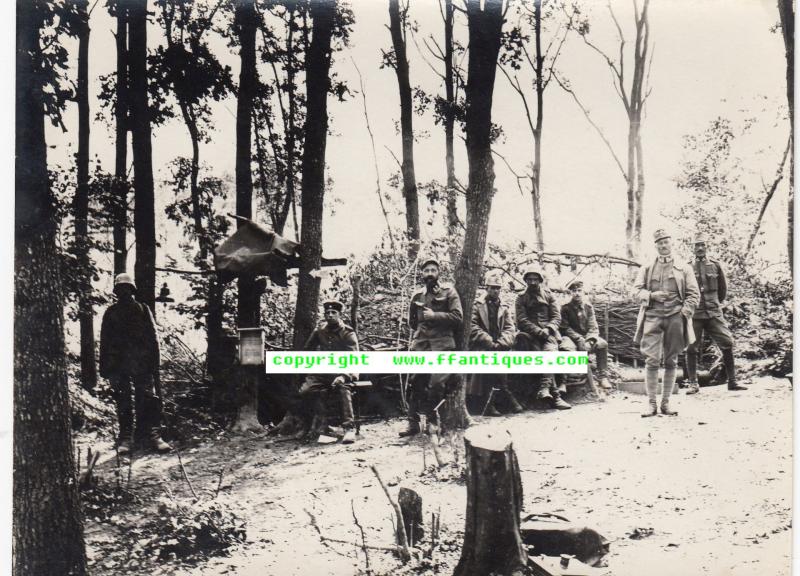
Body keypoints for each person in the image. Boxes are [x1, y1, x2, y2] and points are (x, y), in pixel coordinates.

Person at [99, 273, 171, 454]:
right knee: (123, 400)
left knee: (148, 399)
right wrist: (106, 369)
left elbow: (153, 338)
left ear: (133, 290)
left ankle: (153, 435)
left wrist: (155, 363)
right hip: (119, 364)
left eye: (128, 289)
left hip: (142, 362)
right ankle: (125, 437)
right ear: (116, 292)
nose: (125, 293)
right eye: (121, 289)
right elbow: (105, 341)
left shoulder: (142, 309)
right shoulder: (111, 313)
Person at [632, 229, 700, 417]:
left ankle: (666, 404)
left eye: (666, 242)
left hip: (675, 317)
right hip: (652, 317)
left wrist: (683, 313)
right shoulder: (646, 268)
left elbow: (694, 294)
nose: (663, 245)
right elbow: (635, 292)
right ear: (655, 246)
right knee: (651, 360)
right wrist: (652, 295)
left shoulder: (684, 268)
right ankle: (651, 404)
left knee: (671, 360)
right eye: (660, 243)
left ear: (671, 244)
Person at [401, 257, 464, 437]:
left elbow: (458, 318)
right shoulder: (417, 296)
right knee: (415, 382)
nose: (429, 274)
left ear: (438, 273)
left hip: (442, 346)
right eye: (426, 270)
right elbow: (412, 322)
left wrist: (435, 315)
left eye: (433, 270)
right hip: (421, 345)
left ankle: (433, 421)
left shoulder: (449, 292)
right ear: (422, 274)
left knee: (436, 384)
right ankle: (412, 424)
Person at [685, 232, 747, 393]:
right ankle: (693, 384)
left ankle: (732, 381)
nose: (699, 248)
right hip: (696, 314)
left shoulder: (715, 265)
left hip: (713, 313)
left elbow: (722, 290)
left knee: (727, 343)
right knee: (691, 348)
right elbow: (684, 291)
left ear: (706, 247)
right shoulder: (687, 267)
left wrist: (714, 304)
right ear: (692, 248)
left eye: (702, 245)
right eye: (696, 245)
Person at [298, 300, 360, 444]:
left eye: (334, 313)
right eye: (327, 313)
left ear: (340, 314)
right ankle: (318, 425)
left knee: (343, 389)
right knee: (305, 391)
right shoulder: (320, 331)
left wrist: (344, 375)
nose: (330, 315)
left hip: (345, 371)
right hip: (323, 372)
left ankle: (348, 429)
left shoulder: (348, 333)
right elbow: (308, 350)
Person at [514, 266, 571, 410]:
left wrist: (548, 328)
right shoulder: (521, 298)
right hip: (530, 335)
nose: (532, 282)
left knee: (551, 353)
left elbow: (557, 316)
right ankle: (555, 396)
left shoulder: (549, 295)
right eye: (529, 279)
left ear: (540, 280)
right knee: (541, 355)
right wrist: (538, 331)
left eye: (535, 279)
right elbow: (522, 319)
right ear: (525, 280)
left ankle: (545, 389)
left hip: (549, 334)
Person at [467, 272, 524, 416]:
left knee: (501, 359)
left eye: (498, 288)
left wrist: (501, 342)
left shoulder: (503, 307)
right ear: (486, 288)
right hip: (481, 345)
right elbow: (472, 326)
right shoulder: (477, 305)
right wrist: (488, 341)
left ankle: (502, 396)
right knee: (489, 360)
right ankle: (493, 401)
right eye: (492, 288)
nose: (495, 291)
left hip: (499, 345)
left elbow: (510, 328)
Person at [559, 280, 612, 390]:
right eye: (574, 291)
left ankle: (603, 377)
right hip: (571, 338)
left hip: (587, 337)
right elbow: (564, 328)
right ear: (570, 293)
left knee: (602, 344)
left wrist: (590, 340)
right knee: (566, 348)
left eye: (579, 290)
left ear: (583, 292)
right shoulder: (565, 308)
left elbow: (593, 327)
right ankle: (564, 381)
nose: (577, 293)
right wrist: (578, 339)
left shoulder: (588, 307)